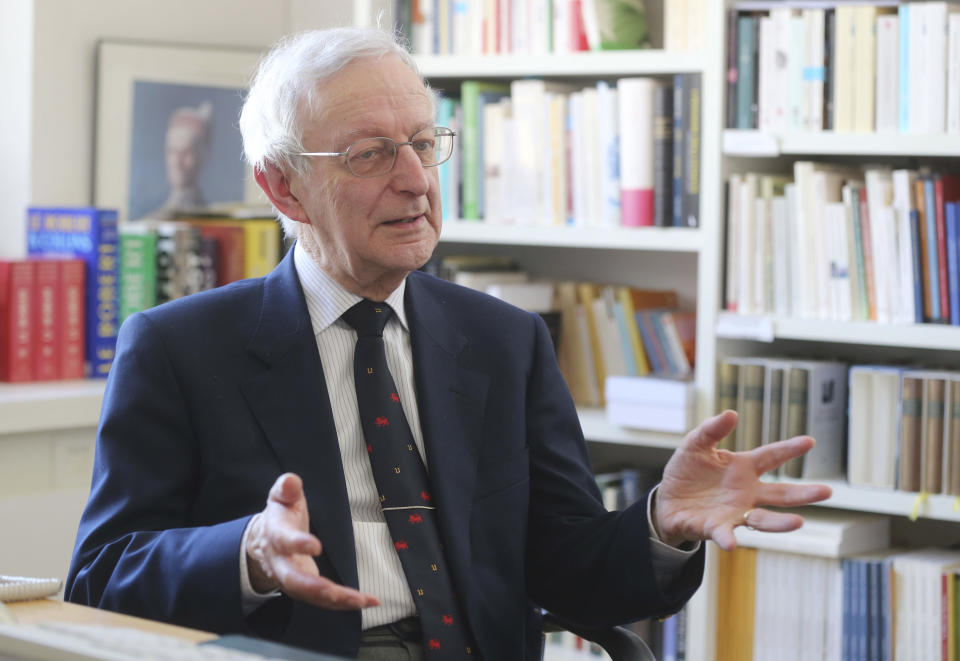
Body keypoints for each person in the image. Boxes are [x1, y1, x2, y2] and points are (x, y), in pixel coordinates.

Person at [65, 27, 831, 660]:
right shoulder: (179, 348)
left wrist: (661, 521)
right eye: (369, 154)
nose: (415, 180)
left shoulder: (504, 340)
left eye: (425, 144)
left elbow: (568, 572)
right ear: (282, 186)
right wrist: (248, 555)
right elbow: (98, 578)